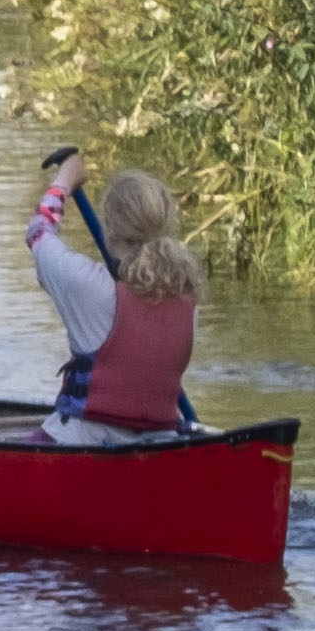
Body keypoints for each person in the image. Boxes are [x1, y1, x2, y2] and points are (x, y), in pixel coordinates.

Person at [21, 150, 206, 445]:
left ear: (108, 229)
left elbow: (39, 231)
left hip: (81, 439)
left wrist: (66, 178)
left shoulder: (87, 284)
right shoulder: (189, 301)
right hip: (161, 442)